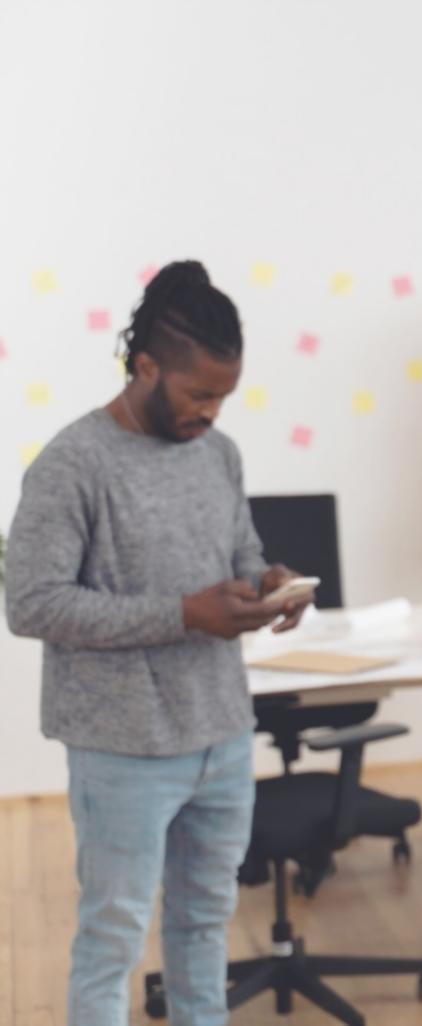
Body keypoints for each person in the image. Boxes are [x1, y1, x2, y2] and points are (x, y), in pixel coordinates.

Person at [4, 260, 312, 1024]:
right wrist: (183, 614)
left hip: (223, 736)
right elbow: (30, 603)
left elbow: (237, 553)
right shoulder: (72, 464)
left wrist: (266, 582)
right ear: (145, 367)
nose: (211, 412)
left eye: (224, 396)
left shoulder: (219, 453)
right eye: (199, 393)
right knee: (112, 940)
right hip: (122, 750)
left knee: (206, 928)